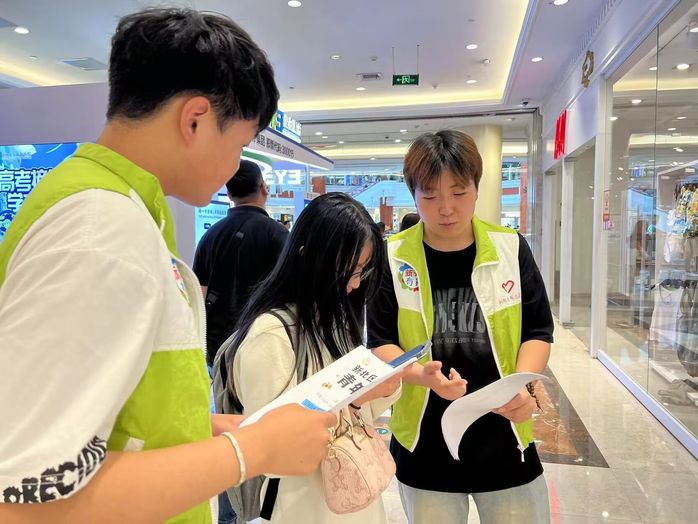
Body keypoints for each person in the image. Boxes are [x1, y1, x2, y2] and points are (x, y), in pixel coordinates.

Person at [0, 8, 335, 523]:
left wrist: (201, 429)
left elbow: (111, 424)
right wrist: (252, 452)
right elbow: (26, 498)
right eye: (239, 144)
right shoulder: (100, 232)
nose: (234, 167)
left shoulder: (114, 212)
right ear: (195, 119)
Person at [368, 130, 553, 524]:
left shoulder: (510, 248)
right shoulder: (393, 256)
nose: (446, 208)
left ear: (476, 188)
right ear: (413, 195)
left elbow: (538, 330)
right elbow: (380, 340)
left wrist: (522, 386)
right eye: (430, 196)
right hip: (425, 441)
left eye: (458, 192)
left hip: (505, 433)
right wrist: (420, 375)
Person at [226, 193, 402, 523]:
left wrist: (382, 387)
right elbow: (273, 448)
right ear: (307, 257)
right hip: (303, 504)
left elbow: (358, 416)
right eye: (348, 271)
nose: (354, 284)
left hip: (353, 495)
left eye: (362, 271)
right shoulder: (270, 335)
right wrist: (355, 399)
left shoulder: (334, 321)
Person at [193, 159, 288, 366]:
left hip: (218, 345)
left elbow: (200, 294)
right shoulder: (277, 234)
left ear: (229, 194)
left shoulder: (210, 236)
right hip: (263, 340)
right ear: (264, 188)